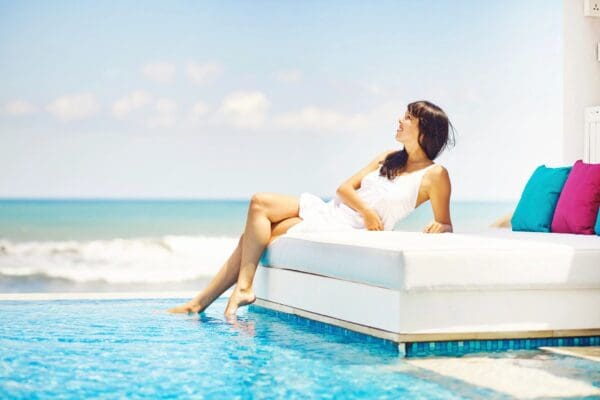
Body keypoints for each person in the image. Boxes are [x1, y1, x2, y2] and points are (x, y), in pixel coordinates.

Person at [169, 100, 456, 317]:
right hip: (333, 211)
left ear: (424, 130)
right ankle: (224, 294)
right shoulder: (388, 157)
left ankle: (206, 301)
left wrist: (440, 226)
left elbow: (445, 222)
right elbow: (344, 188)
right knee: (259, 204)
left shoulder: (435, 175)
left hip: (349, 229)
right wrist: (367, 210)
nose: (399, 120)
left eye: (407, 118)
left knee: (253, 236)